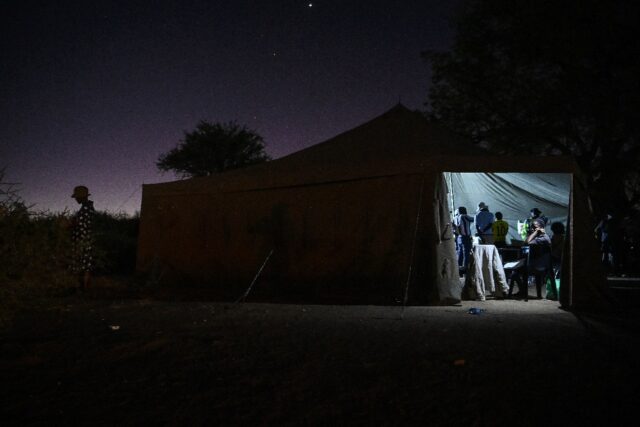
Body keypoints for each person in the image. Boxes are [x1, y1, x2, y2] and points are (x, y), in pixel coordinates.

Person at [70, 185, 95, 292]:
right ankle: (84, 288)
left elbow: (79, 224)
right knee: (86, 265)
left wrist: (68, 224)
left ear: (81, 197)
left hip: (82, 240)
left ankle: (81, 288)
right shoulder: (88, 207)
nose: (75, 199)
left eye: (77, 197)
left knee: (79, 264)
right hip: (86, 240)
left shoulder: (86, 208)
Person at [525, 218, 552, 299]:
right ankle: (524, 292)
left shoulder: (543, 238)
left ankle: (523, 292)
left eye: (535, 227)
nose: (533, 228)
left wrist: (536, 232)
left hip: (539, 265)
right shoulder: (538, 237)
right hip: (538, 263)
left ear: (541, 227)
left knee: (516, 271)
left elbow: (527, 242)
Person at [453, 206, 474, 274]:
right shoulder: (464, 216)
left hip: (459, 237)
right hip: (465, 237)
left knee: (460, 253)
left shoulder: (455, 218)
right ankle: (465, 268)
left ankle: (459, 268)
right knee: (466, 253)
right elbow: (473, 219)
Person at [549, 222, 565, 300]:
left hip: (554, 258)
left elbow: (550, 248)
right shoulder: (564, 237)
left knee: (554, 276)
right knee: (560, 276)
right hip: (561, 259)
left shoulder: (552, 238)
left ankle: (555, 292)